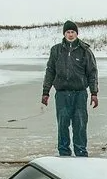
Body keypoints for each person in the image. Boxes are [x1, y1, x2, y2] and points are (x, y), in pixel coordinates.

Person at [41, 20, 99, 157]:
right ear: (64, 34)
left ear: (77, 33)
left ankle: (81, 153)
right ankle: (64, 153)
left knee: (80, 125)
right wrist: (46, 92)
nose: (70, 34)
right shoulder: (56, 50)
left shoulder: (85, 51)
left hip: (79, 94)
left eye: (73, 32)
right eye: (68, 32)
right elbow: (50, 71)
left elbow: (92, 72)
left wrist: (94, 93)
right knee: (62, 125)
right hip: (62, 94)